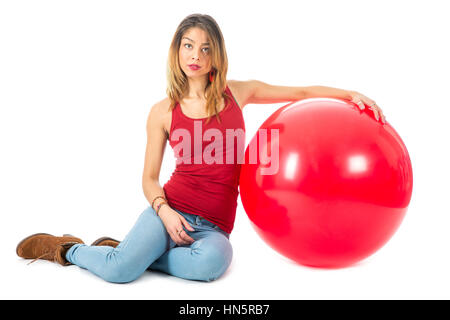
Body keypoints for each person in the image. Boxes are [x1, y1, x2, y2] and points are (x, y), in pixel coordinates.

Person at [16, 13, 386, 283]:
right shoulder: (162, 112)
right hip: (171, 211)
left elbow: (301, 93)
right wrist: (165, 213)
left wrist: (349, 94)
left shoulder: (238, 93)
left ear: (216, 56)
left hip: (213, 227)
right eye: (188, 45)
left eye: (205, 48)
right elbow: (148, 179)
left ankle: (132, 251)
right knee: (118, 272)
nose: (196, 55)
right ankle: (67, 250)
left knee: (213, 265)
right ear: (177, 51)